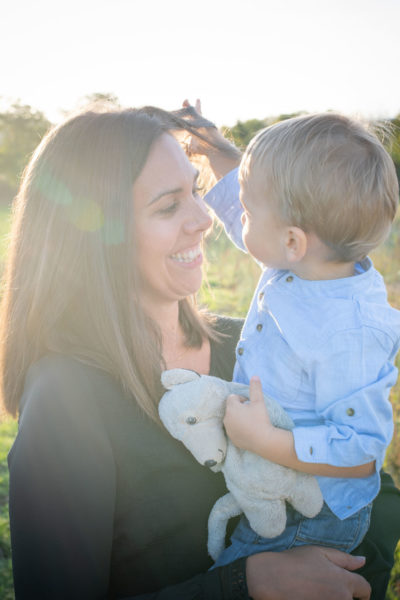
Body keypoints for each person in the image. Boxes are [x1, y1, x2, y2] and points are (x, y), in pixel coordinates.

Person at [0, 102, 390, 600]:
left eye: (198, 191)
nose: (205, 219)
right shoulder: (67, 399)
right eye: (169, 206)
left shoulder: (252, 344)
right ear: (95, 235)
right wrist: (246, 585)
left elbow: (379, 498)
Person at [202, 113, 400, 567]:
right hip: (281, 487)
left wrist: (262, 440)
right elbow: (255, 217)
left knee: (244, 576)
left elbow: (361, 454)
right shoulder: (304, 262)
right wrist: (216, 153)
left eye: (249, 211)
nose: (240, 215)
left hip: (312, 515)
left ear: (293, 241)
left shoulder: (348, 332)